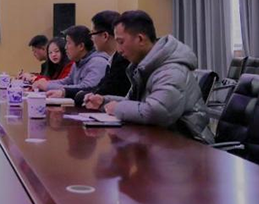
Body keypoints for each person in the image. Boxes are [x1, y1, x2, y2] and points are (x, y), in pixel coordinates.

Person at [84, 10, 213, 143]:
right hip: (164, 141)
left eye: (121, 42)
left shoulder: (171, 70)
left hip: (189, 145)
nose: (119, 50)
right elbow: (134, 103)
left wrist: (117, 108)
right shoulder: (144, 66)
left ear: (140, 39)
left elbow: (157, 112)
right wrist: (104, 101)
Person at [74, 11, 131, 106]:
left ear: (105, 36)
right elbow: (99, 88)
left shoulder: (123, 62)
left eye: (93, 33)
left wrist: (81, 95)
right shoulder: (113, 60)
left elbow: (104, 92)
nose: (91, 38)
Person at [35, 25, 108, 99]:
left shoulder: (98, 62)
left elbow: (87, 87)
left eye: (68, 43)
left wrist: (49, 86)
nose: (65, 47)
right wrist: (46, 83)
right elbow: (68, 81)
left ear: (81, 46)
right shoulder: (78, 61)